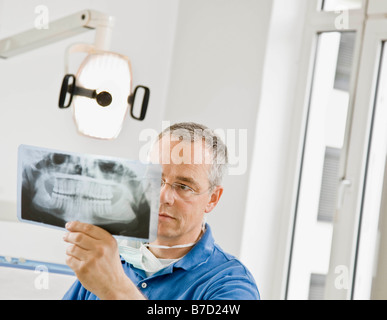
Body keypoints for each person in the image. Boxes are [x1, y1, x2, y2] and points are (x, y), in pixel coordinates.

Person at [62, 122, 260, 300]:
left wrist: (116, 290)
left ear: (212, 199)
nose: (163, 196)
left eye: (184, 186)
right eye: (155, 179)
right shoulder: (111, 262)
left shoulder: (229, 284)